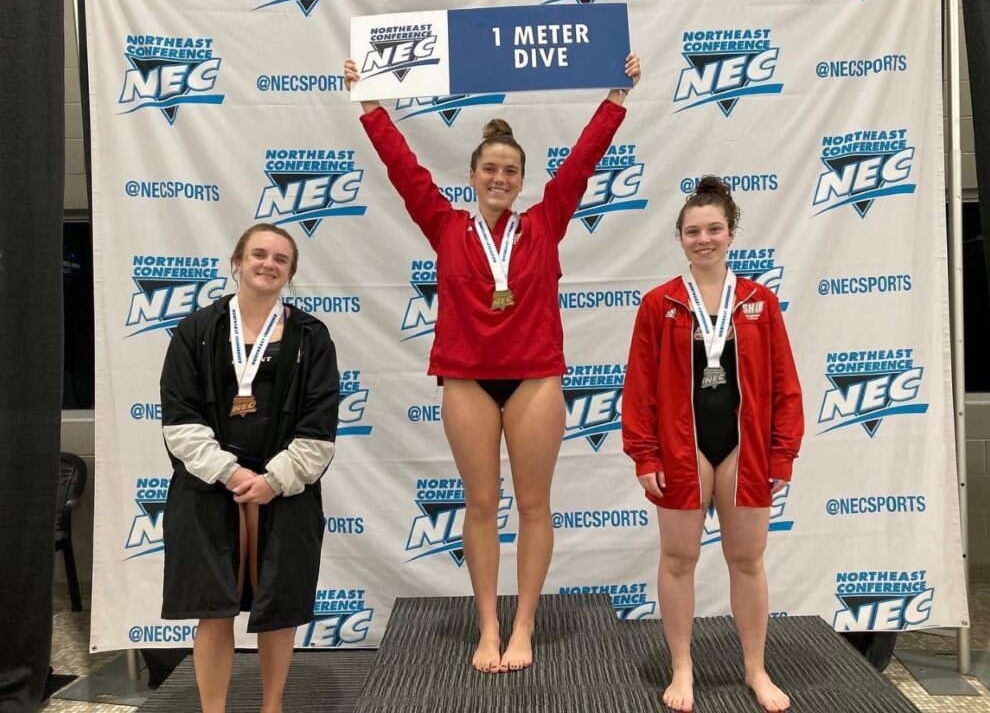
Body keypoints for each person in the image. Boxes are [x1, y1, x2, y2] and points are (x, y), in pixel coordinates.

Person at [344, 53, 640, 672]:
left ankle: (524, 623)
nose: (500, 178)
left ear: (522, 180)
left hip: (534, 380)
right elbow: (404, 170)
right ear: (473, 176)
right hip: (467, 381)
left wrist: (616, 96)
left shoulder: (545, 223)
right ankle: (487, 624)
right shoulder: (445, 225)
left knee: (533, 506)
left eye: (510, 170)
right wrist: (370, 105)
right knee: (480, 505)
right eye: (490, 169)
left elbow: (582, 162)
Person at [622, 177, 802, 713]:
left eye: (714, 229)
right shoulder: (659, 303)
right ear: (680, 238)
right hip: (683, 447)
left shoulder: (759, 302)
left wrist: (783, 453)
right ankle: (682, 668)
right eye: (693, 231)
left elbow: (785, 383)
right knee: (679, 558)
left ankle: (756, 668)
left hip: (745, 448)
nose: (704, 239)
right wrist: (645, 453)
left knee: (747, 560)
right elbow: (639, 386)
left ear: (731, 234)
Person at [159, 223, 339, 713]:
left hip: (286, 490)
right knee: (214, 610)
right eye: (259, 254)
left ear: (291, 274)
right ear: (237, 262)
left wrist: (274, 480)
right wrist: (232, 474)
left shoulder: (312, 337)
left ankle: (272, 706)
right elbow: (179, 417)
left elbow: (320, 423)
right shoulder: (196, 331)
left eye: (281, 259)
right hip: (208, 487)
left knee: (279, 609)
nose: (268, 264)